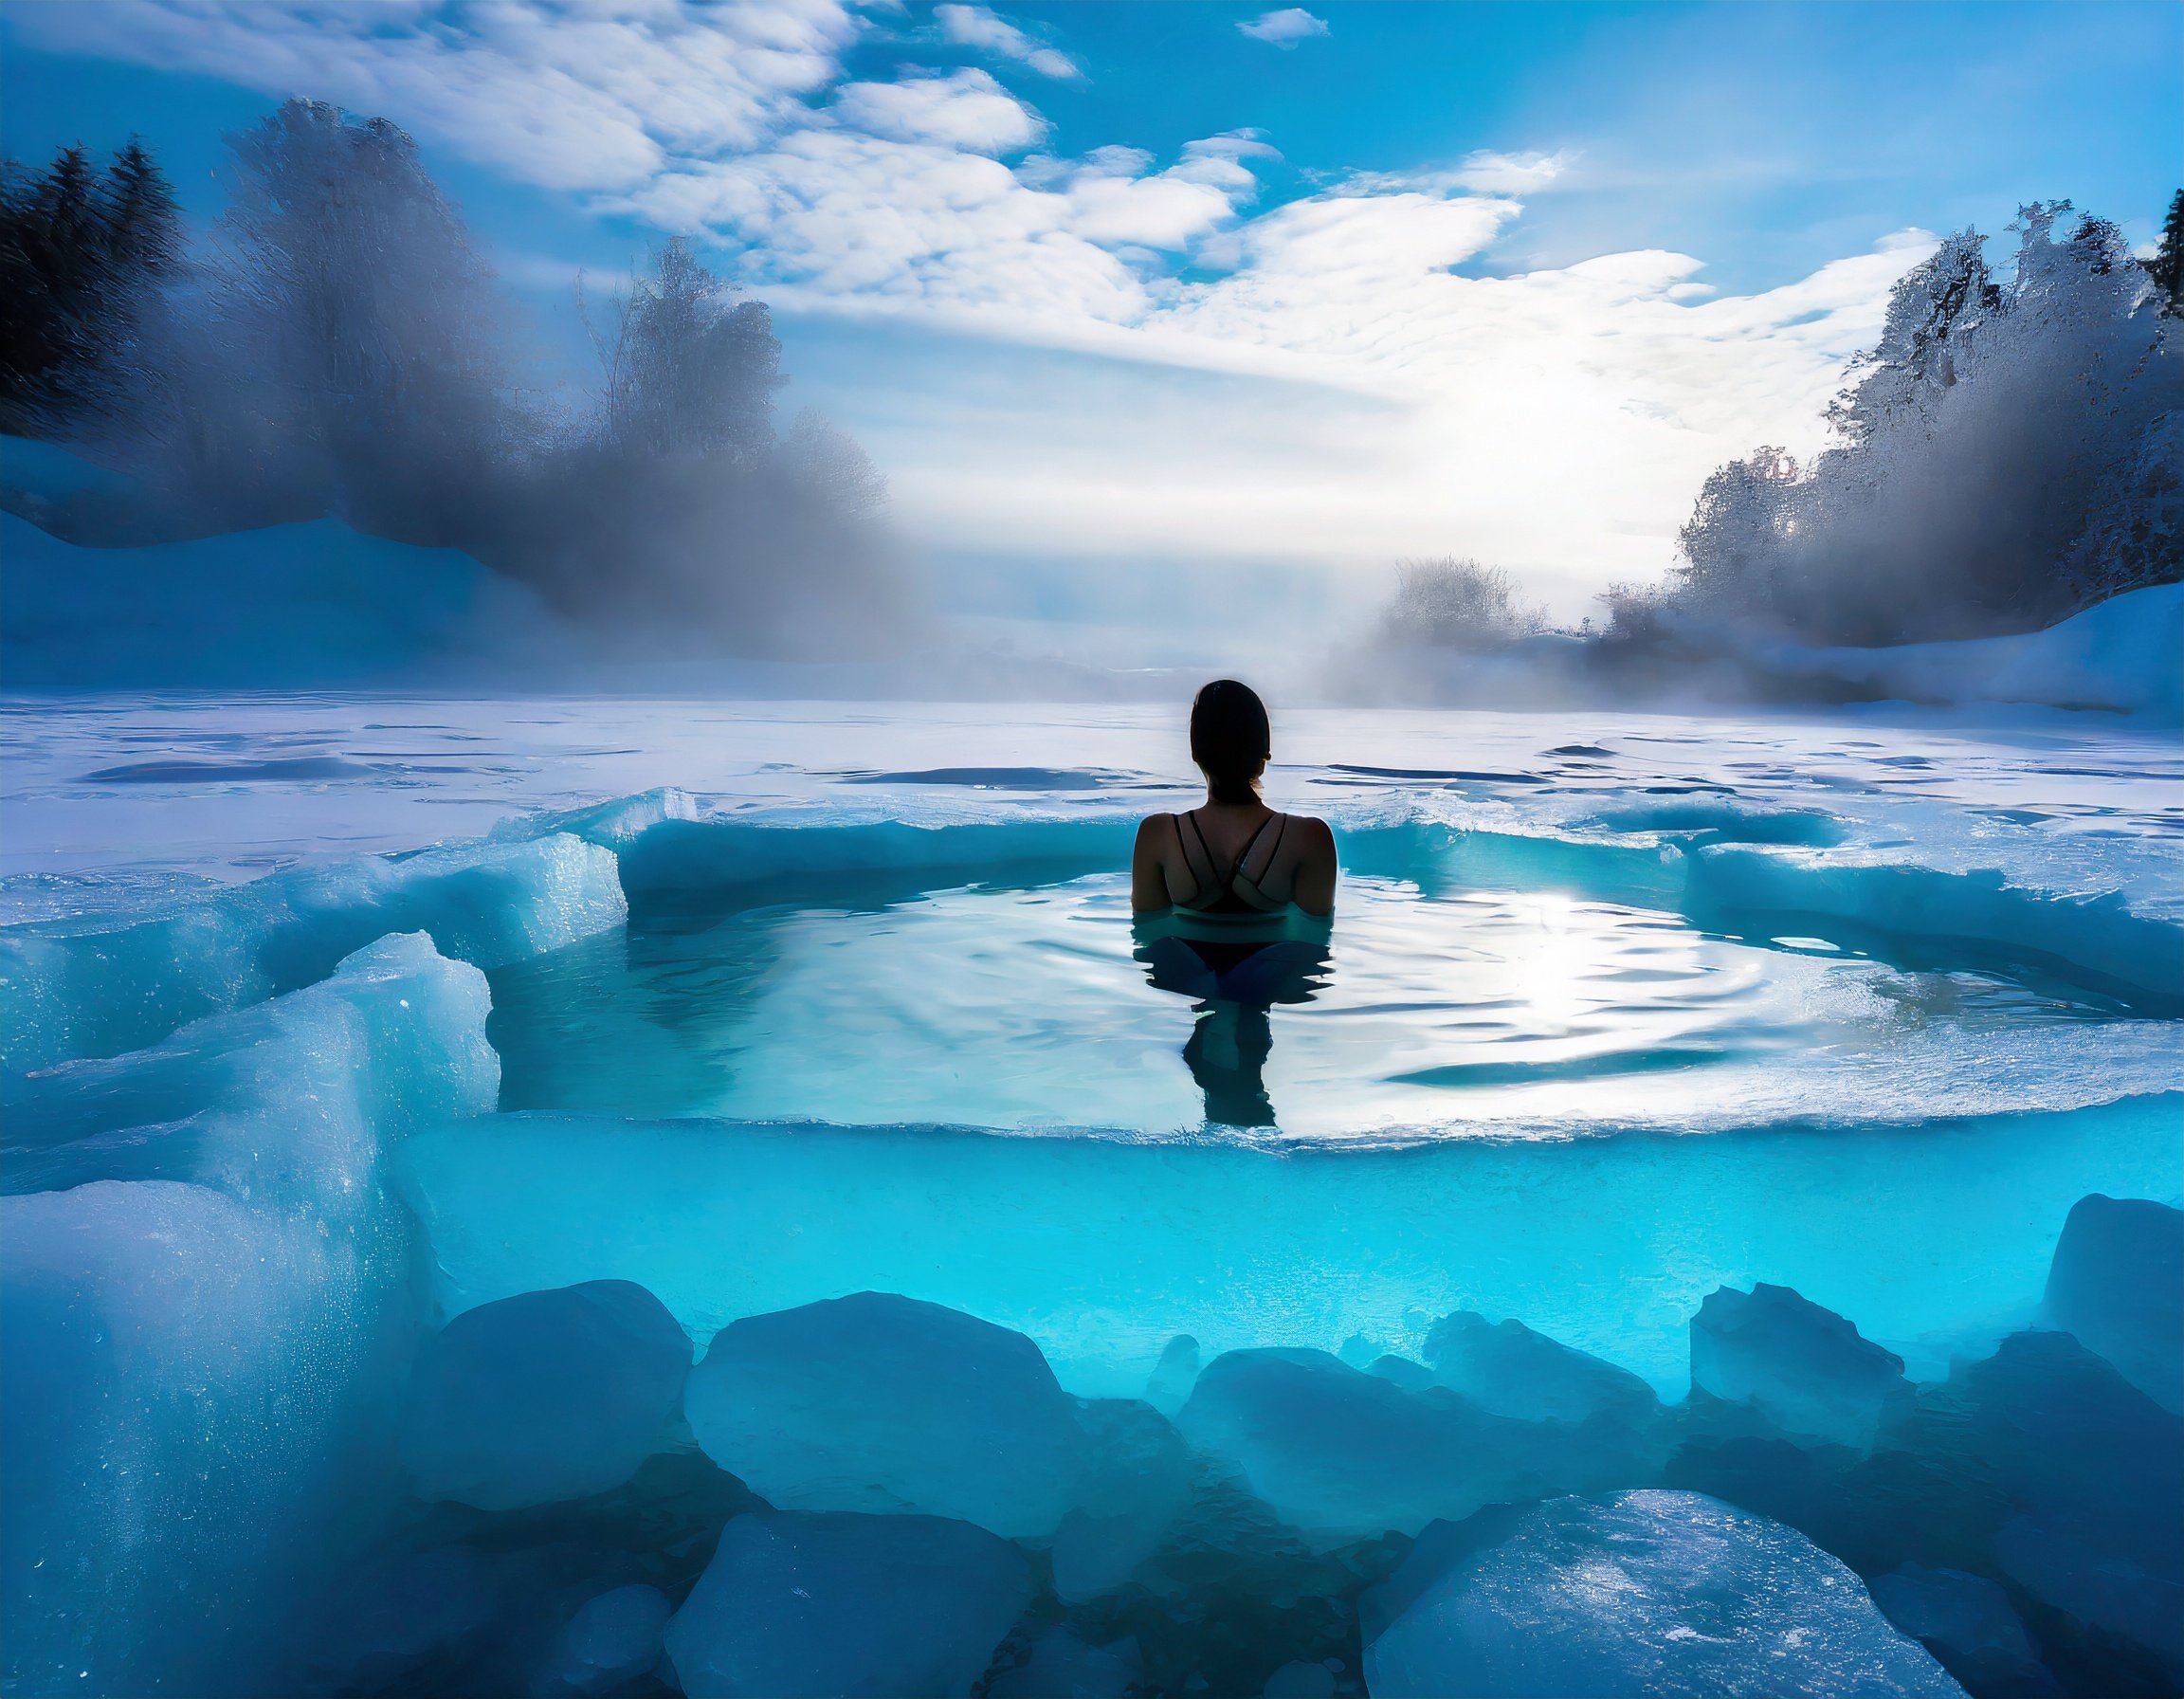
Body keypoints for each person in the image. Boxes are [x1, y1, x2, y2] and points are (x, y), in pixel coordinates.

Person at [1132, 678, 1338, 917]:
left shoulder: (1157, 834)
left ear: (1195, 752)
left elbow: (1148, 932)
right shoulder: (1310, 837)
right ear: (1264, 753)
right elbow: (1315, 939)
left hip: (1183, 953)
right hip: (1276, 954)